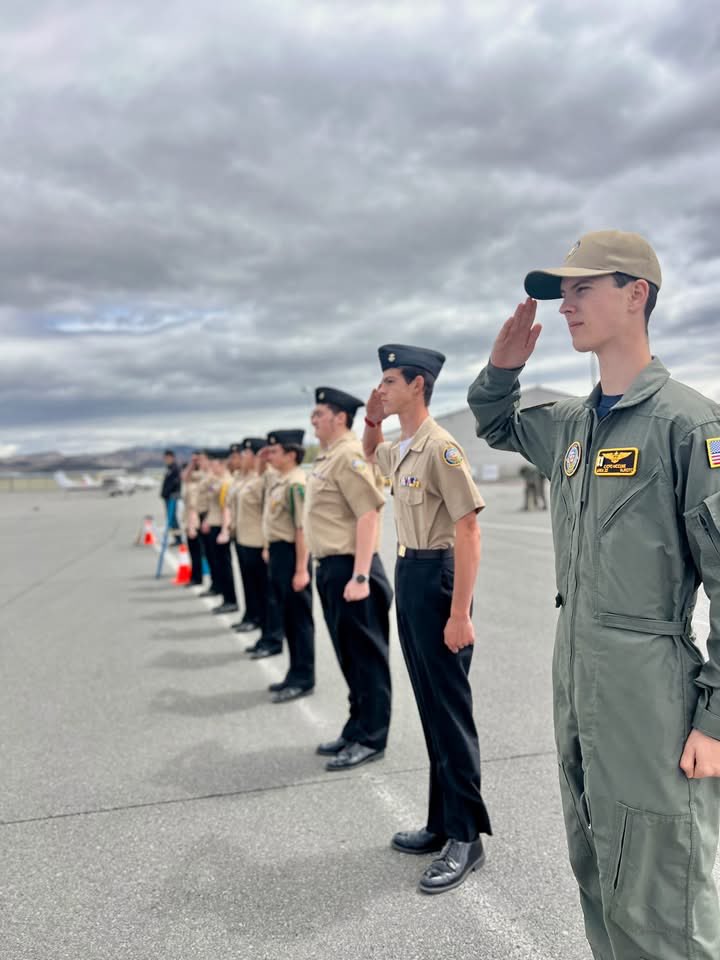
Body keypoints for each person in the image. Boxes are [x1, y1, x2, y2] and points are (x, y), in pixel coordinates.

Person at [467, 229, 720, 959]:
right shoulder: (574, 428)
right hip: (577, 685)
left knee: (661, 897)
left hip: (651, 696)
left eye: (583, 288)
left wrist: (714, 717)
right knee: (598, 874)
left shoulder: (687, 424)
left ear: (635, 293)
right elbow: (494, 422)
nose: (567, 305)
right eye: (563, 292)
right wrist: (502, 368)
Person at [363, 344, 492, 895]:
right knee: (430, 707)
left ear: (418, 385)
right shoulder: (404, 448)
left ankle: (467, 837)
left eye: (390, 380)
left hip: (439, 580)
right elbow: (370, 455)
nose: (382, 387)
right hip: (410, 576)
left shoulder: (441, 450)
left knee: (451, 711)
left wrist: (460, 612)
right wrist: (370, 417)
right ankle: (442, 823)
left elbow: (469, 531)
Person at [305, 386, 393, 771]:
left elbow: (368, 514)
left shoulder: (350, 455)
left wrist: (360, 575)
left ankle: (372, 737)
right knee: (348, 656)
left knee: (366, 658)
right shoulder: (328, 458)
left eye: (319, 414)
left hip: (352, 569)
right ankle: (356, 726)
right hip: (331, 568)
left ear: (340, 417)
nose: (313, 420)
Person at [263, 430, 315, 702]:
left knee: (299, 621)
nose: (270, 455)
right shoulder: (280, 480)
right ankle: (294, 672)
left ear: (291, 455)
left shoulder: (296, 483)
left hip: (292, 555)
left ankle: (303, 677)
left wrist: (301, 569)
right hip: (279, 554)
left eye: (275, 451)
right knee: (288, 618)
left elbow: (301, 529)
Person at [232, 439, 285, 659]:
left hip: (259, 543)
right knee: (256, 592)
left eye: (246, 453)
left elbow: (267, 514)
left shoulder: (267, 477)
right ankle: (264, 635)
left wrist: (265, 544)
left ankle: (272, 638)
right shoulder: (247, 479)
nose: (243, 457)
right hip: (246, 540)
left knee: (267, 597)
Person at [201, 450, 238, 615]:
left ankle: (230, 599)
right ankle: (224, 596)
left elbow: (226, 509)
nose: (211, 466)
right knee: (217, 564)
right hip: (213, 523)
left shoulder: (226, 482)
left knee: (224, 565)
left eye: (213, 463)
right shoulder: (216, 480)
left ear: (222, 464)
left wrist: (225, 530)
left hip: (220, 527)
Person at [181, 450, 206, 586]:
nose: (196, 462)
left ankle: (198, 577)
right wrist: (192, 464)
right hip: (189, 516)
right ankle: (195, 576)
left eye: (198, 459)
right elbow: (184, 477)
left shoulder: (204, 476)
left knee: (198, 550)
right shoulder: (191, 475)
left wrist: (202, 463)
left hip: (196, 517)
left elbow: (194, 505)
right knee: (193, 550)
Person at [161, 449, 182, 545]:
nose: (166, 459)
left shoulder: (175, 468)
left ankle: (178, 538)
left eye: (168, 458)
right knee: (170, 518)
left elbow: (175, 483)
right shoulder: (169, 468)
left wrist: (169, 493)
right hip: (167, 496)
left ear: (172, 458)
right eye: (165, 458)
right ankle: (176, 538)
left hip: (172, 497)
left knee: (172, 518)